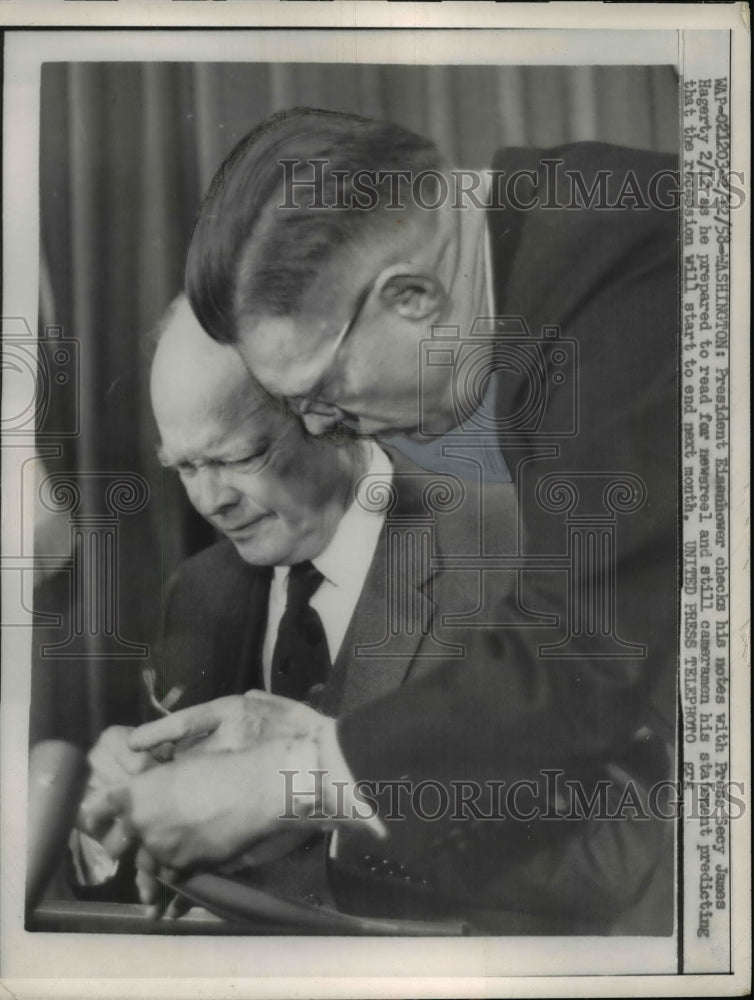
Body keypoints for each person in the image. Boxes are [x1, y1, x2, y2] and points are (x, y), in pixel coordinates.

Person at [101, 109, 679, 930]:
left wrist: (285, 782)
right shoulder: (552, 260)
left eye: (318, 394)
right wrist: (314, 743)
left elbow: (583, 667)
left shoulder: (611, 292)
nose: (324, 428)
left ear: (410, 297)